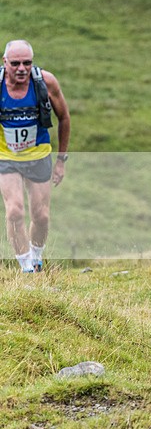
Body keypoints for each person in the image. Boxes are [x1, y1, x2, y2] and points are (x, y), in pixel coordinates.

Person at [0, 40, 71, 272]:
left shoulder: (45, 83)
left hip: (39, 155)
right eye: (16, 63)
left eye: (27, 63)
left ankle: (36, 260)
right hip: (6, 157)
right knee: (14, 211)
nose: (22, 68)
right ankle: (26, 269)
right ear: (5, 62)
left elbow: (65, 118)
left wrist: (61, 160)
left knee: (41, 216)